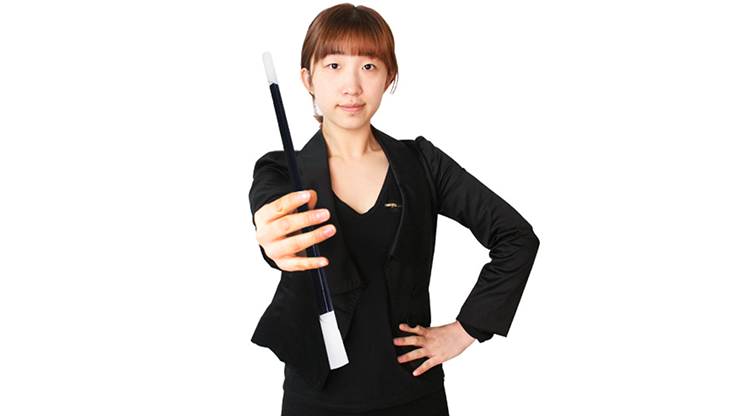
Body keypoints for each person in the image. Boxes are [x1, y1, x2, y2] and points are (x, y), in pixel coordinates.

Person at [250, 4, 539, 415]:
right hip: (314, 399)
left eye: (368, 66)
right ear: (307, 79)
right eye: (333, 65)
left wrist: (467, 329)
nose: (351, 86)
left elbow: (516, 237)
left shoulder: (423, 164)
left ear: (389, 78)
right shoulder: (280, 171)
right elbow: (272, 219)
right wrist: (273, 240)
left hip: (413, 394)